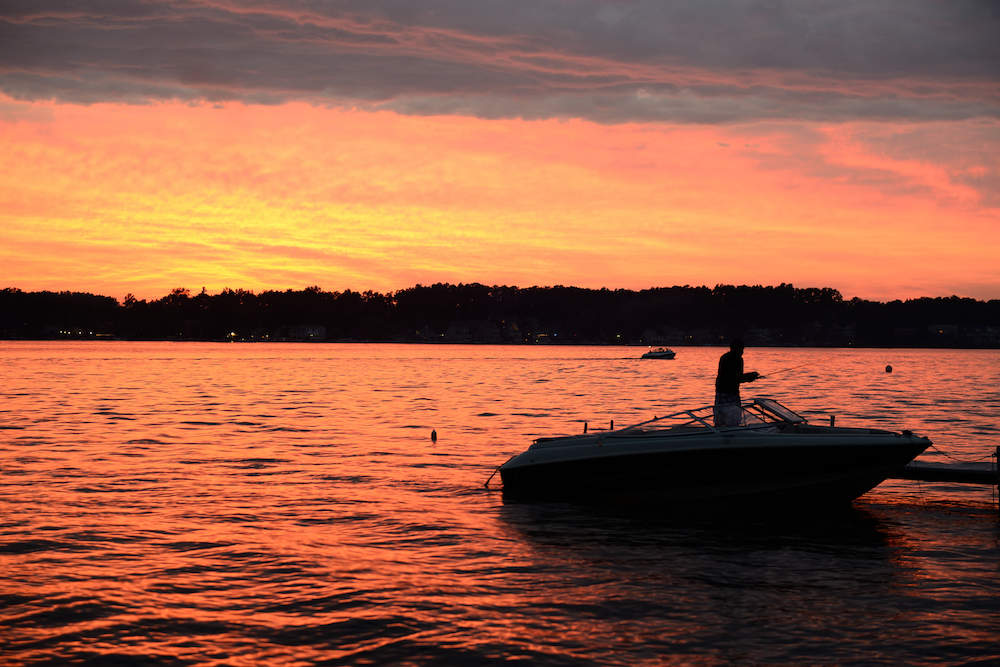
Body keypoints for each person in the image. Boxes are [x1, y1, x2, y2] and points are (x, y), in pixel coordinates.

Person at [714, 339, 759, 426]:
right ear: (736, 348)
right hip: (731, 393)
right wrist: (750, 379)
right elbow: (738, 378)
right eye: (742, 349)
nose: (742, 352)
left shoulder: (724, 357)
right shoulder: (738, 359)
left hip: (720, 391)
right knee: (734, 420)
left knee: (720, 419)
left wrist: (749, 375)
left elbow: (731, 375)